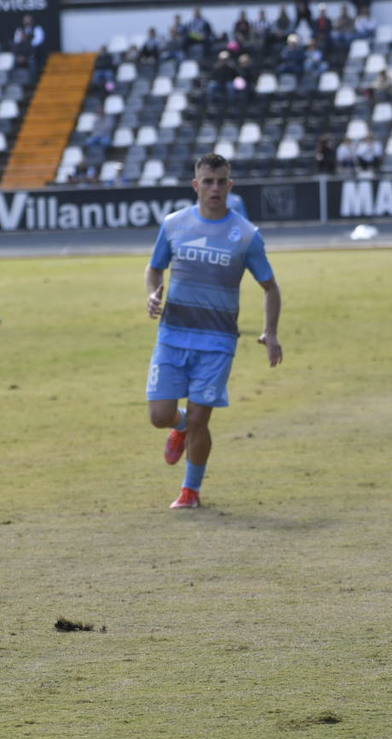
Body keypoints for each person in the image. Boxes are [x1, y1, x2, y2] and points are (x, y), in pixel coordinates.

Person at [145, 153, 283, 509]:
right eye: (208, 181)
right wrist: (152, 293)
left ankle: (190, 491)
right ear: (196, 185)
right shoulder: (174, 225)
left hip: (217, 341)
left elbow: (270, 287)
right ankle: (179, 427)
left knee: (202, 419)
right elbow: (155, 268)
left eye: (222, 181)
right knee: (160, 416)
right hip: (172, 334)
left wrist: (270, 332)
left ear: (230, 186)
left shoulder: (246, 235)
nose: (215, 188)